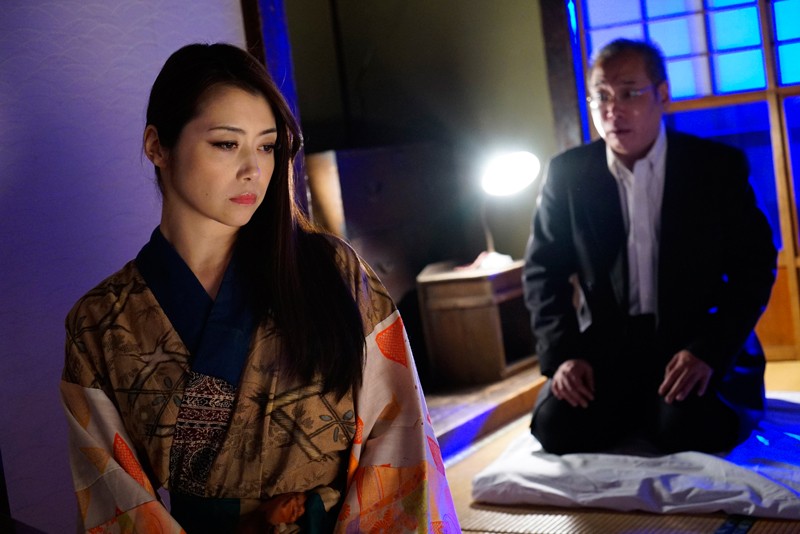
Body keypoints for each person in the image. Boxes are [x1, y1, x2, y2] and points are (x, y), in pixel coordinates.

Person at [60, 42, 459, 533]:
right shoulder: (99, 323)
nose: (253, 169)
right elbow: (114, 501)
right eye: (226, 144)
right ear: (157, 146)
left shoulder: (334, 271)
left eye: (267, 146)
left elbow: (400, 441)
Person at [523, 38, 777, 455]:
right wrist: (564, 356)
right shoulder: (568, 174)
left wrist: (709, 351)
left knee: (688, 429)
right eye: (601, 96)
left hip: (693, 339)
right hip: (607, 344)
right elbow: (541, 272)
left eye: (629, 93)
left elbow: (756, 266)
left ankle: (652, 409)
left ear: (663, 94)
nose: (612, 110)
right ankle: (635, 406)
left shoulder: (715, 166)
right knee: (557, 428)